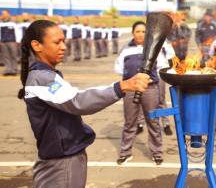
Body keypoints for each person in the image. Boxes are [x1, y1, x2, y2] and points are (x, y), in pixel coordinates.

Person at [18, 20, 151, 188]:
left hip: (63, 158)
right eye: (57, 42)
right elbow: (78, 101)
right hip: (61, 163)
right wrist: (122, 86)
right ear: (37, 45)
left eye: (64, 41)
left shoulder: (45, 75)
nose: (64, 47)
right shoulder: (42, 78)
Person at [114, 21, 163, 165]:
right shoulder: (126, 50)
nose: (140, 34)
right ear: (132, 33)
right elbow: (118, 68)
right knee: (130, 122)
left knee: (153, 121)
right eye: (137, 31)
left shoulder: (154, 48)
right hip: (130, 89)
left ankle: (157, 152)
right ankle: (125, 152)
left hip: (150, 89)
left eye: (143, 31)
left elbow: (161, 67)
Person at [0, 10, 21, 75]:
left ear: (8, 14)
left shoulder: (13, 22)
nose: (3, 15)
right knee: (6, 56)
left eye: (5, 13)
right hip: (3, 42)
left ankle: (14, 69)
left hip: (12, 41)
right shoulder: (1, 23)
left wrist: (18, 41)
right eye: (2, 13)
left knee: (13, 55)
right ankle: (8, 69)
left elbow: (18, 32)